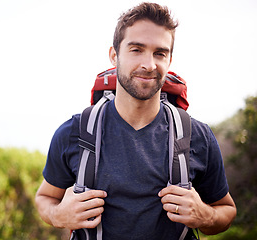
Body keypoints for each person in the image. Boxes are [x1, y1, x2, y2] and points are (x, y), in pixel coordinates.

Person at [35, 2, 236, 239]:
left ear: (169, 60)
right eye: (136, 49)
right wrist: (58, 215)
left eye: (159, 53)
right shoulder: (75, 132)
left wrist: (206, 216)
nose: (149, 64)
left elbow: (227, 210)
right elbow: (45, 198)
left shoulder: (197, 135)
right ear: (114, 55)